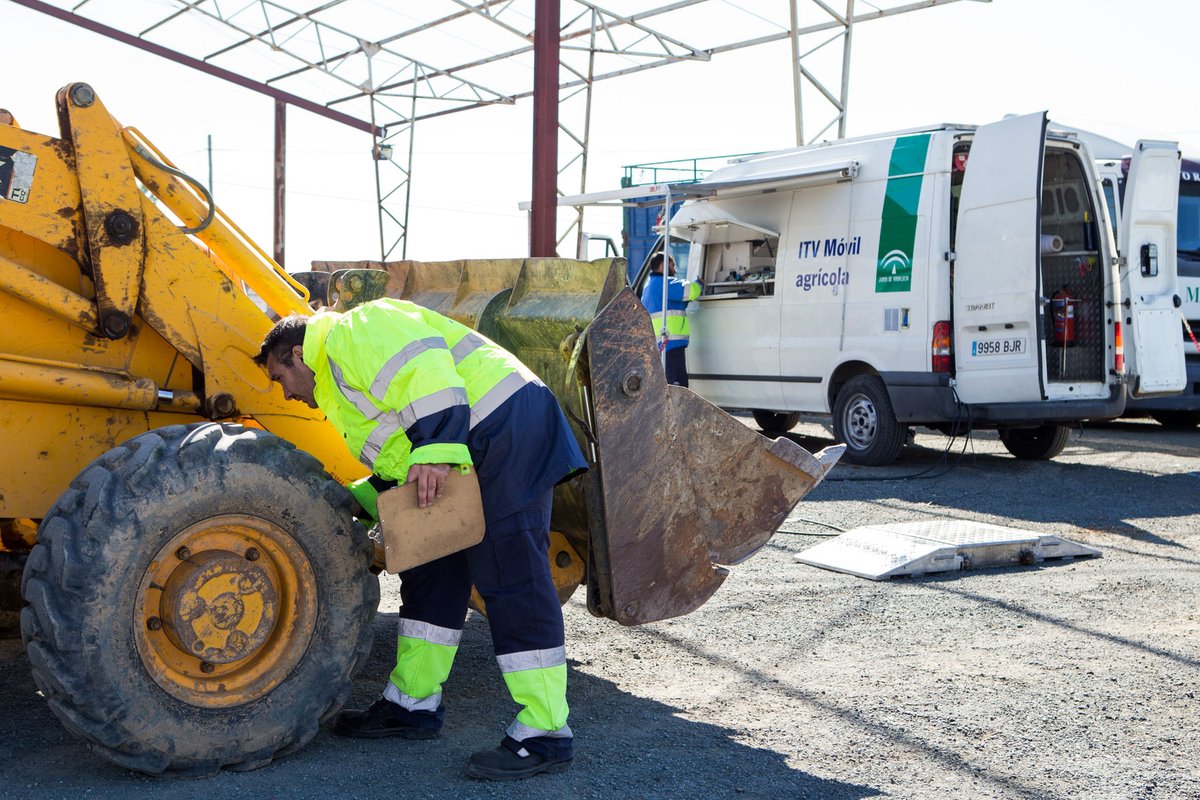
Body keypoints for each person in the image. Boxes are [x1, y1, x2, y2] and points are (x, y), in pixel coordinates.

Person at [254, 297, 587, 781]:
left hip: (502, 427)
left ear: (296, 356)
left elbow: (427, 374)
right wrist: (359, 498)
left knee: (510, 572)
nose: (283, 394)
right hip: (462, 442)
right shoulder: (338, 385)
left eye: (278, 378)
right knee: (429, 571)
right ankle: (411, 705)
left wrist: (435, 450)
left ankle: (545, 732)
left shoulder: (355, 331)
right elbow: (395, 455)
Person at [639, 252, 702, 386]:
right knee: (678, 387)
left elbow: (673, 304)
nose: (675, 269)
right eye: (672, 265)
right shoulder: (665, 283)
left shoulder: (649, 287)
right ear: (663, 266)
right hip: (671, 344)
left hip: (660, 346)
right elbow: (690, 291)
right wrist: (700, 283)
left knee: (668, 386)